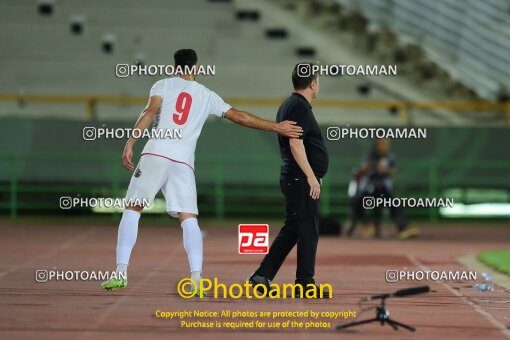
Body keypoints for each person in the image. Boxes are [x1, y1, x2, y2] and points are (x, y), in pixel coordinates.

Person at [101, 49, 303, 295]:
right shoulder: (207, 95)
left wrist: (130, 142)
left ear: (175, 67)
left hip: (156, 154)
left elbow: (150, 112)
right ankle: (196, 280)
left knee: (133, 209)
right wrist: (276, 127)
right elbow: (240, 117)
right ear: (196, 68)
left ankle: (120, 273)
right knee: (189, 219)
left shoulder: (162, 84)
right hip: (183, 162)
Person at [248, 63, 329, 298]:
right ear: (313, 84)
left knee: (294, 228)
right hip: (299, 178)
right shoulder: (299, 107)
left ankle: (262, 275)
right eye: (318, 82)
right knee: (308, 230)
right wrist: (311, 176)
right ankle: (305, 283)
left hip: (295, 177)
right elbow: (296, 143)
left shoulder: (291, 104)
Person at [347, 138, 419, 239]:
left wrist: (384, 169)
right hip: (369, 189)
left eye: (387, 144)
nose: (385, 147)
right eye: (382, 144)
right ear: (377, 145)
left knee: (395, 202)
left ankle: (403, 227)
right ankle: (367, 225)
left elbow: (393, 171)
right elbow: (360, 171)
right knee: (357, 201)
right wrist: (364, 169)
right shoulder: (369, 155)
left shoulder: (390, 156)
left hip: (382, 190)